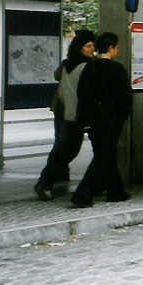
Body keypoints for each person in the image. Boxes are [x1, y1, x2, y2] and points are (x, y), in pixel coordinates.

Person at [71, 32, 132, 207]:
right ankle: (83, 194)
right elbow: (125, 99)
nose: (117, 51)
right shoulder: (117, 69)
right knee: (103, 157)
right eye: (117, 47)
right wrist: (122, 117)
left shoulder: (89, 68)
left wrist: (85, 119)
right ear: (111, 48)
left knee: (105, 154)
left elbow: (82, 94)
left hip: (93, 121)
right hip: (112, 121)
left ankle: (116, 191)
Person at [34, 29, 96, 201]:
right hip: (73, 113)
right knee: (66, 150)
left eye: (92, 46)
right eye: (88, 46)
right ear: (79, 48)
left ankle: (49, 180)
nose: (91, 49)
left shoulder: (66, 63)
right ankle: (44, 182)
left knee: (64, 148)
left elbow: (57, 77)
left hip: (65, 112)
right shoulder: (87, 66)